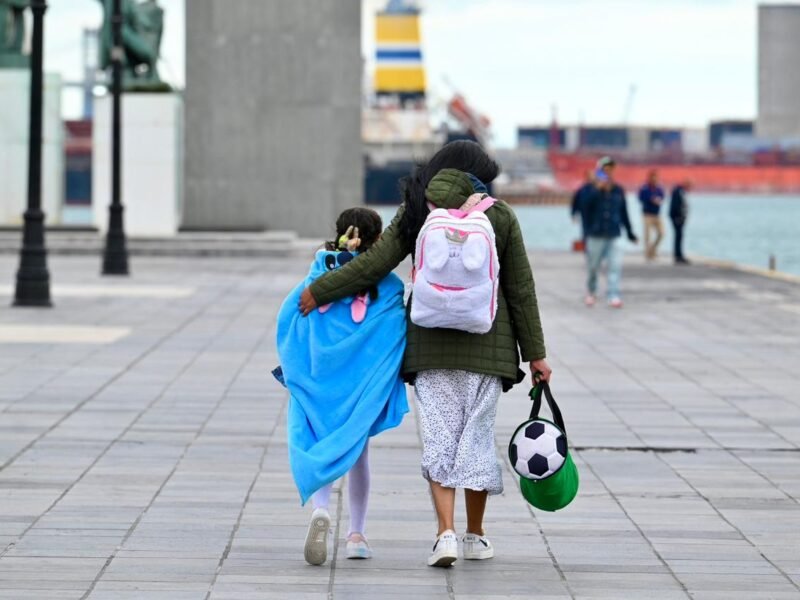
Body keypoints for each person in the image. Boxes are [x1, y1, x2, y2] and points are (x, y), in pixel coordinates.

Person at [298, 140, 551, 568]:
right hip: (487, 348)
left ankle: (444, 535)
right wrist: (536, 355)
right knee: (474, 441)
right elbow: (520, 290)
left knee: (438, 439)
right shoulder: (501, 216)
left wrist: (319, 289)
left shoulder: (418, 210)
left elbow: (375, 264)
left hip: (429, 344)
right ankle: (476, 536)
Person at [276, 207, 409, 566]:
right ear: (379, 240)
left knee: (321, 442)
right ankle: (357, 535)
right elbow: (395, 335)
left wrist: (295, 370)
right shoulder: (388, 287)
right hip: (358, 389)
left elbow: (288, 321)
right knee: (357, 453)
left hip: (319, 382)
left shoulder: (318, 277)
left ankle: (321, 510)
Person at [583, 157, 638, 308]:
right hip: (595, 234)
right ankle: (591, 291)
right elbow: (584, 208)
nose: (609, 172)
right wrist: (597, 190)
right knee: (593, 266)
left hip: (614, 233)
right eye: (605, 169)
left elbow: (624, 212)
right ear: (600, 170)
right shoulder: (590, 189)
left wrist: (630, 233)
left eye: (611, 169)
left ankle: (613, 294)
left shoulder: (618, 190)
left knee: (615, 266)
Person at [638, 170, 665, 260]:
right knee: (647, 235)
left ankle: (653, 249)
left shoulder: (659, 188)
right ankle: (648, 253)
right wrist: (651, 199)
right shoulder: (644, 188)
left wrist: (658, 200)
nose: (654, 179)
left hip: (657, 214)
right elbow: (641, 198)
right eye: (652, 177)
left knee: (661, 233)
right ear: (649, 178)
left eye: (655, 177)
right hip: (647, 214)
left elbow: (662, 197)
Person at [670, 180, 691, 264]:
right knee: (678, 236)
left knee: (679, 236)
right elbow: (675, 205)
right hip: (677, 218)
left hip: (680, 218)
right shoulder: (678, 192)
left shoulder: (681, 191)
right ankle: (678, 256)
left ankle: (679, 255)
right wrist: (678, 217)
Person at [571, 169, 595, 242]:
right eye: (588, 176)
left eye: (591, 176)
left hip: (596, 215)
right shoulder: (582, 190)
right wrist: (574, 214)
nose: (589, 178)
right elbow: (575, 202)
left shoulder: (597, 189)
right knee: (585, 231)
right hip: (585, 214)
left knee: (595, 233)